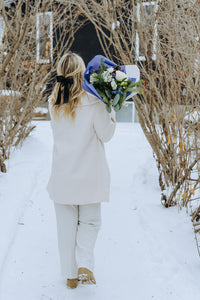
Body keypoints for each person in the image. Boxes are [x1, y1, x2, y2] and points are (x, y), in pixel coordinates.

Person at [46, 52, 116, 289]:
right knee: (90, 222)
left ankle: (70, 274)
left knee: (65, 229)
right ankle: (84, 263)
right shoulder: (94, 101)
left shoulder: (53, 102)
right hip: (89, 175)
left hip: (63, 176)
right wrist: (111, 109)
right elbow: (105, 134)